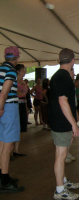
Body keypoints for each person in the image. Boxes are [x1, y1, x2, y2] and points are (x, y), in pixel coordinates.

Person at [48, 48, 79, 199]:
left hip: (59, 121)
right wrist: (74, 124)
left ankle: (63, 181)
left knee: (62, 152)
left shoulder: (59, 76)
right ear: (73, 61)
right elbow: (63, 102)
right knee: (61, 155)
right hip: (62, 122)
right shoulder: (63, 77)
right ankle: (60, 191)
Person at [0, 46, 25, 192]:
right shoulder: (10, 71)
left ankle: (2, 176)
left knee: (2, 143)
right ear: (16, 58)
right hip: (8, 108)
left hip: (4, 108)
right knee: (8, 146)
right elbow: (4, 93)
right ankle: (4, 181)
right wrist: (1, 108)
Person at [13, 64, 28, 157]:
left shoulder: (23, 82)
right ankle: (10, 150)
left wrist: (26, 106)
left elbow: (25, 95)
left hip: (22, 104)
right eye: (23, 70)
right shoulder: (14, 80)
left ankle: (16, 150)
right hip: (15, 104)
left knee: (21, 127)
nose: (24, 71)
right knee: (14, 127)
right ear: (18, 71)